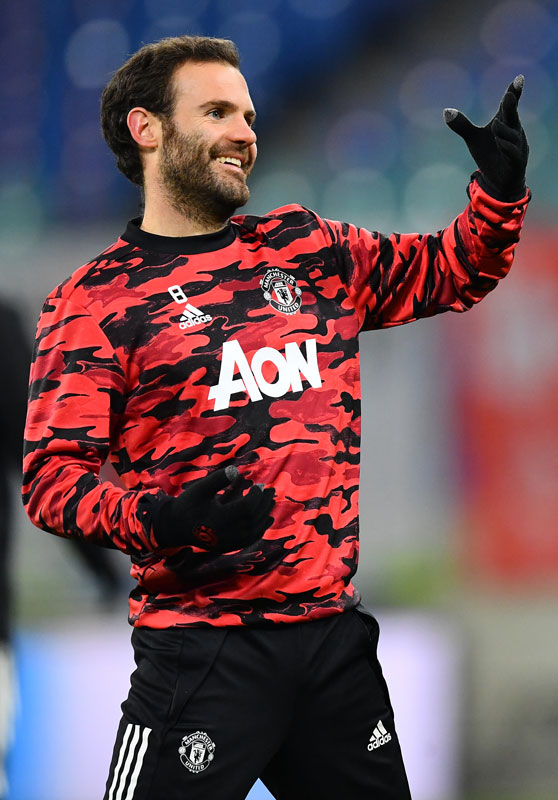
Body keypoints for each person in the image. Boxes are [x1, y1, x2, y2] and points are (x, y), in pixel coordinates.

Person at [22, 35, 530, 800]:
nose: (244, 133)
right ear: (146, 128)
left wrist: (498, 191)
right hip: (202, 653)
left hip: (333, 647)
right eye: (218, 112)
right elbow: (51, 483)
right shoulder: (95, 302)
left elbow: (452, 270)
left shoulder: (306, 249)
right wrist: (159, 519)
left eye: (250, 117)